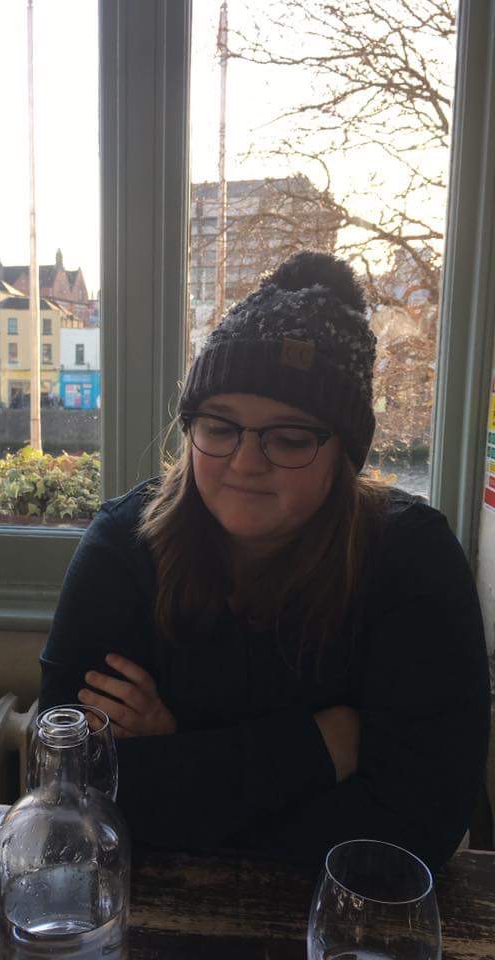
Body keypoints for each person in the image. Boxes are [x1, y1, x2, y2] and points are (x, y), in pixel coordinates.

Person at [39, 251, 490, 871]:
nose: (246, 462)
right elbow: (69, 794)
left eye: (289, 437)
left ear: (345, 455)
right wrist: (320, 749)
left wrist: (178, 756)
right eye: (220, 427)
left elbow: (414, 832)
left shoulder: (412, 563)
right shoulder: (122, 549)